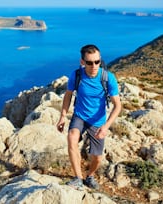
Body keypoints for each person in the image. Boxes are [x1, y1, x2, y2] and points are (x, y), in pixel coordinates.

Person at [56, 44, 121, 190]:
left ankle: (90, 176)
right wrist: (62, 116)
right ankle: (78, 178)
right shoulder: (77, 75)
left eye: (97, 61)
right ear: (82, 62)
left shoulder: (107, 78)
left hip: (98, 121)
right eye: (90, 62)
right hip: (79, 116)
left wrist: (105, 127)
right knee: (72, 137)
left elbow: (118, 106)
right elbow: (68, 96)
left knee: (97, 157)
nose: (94, 66)